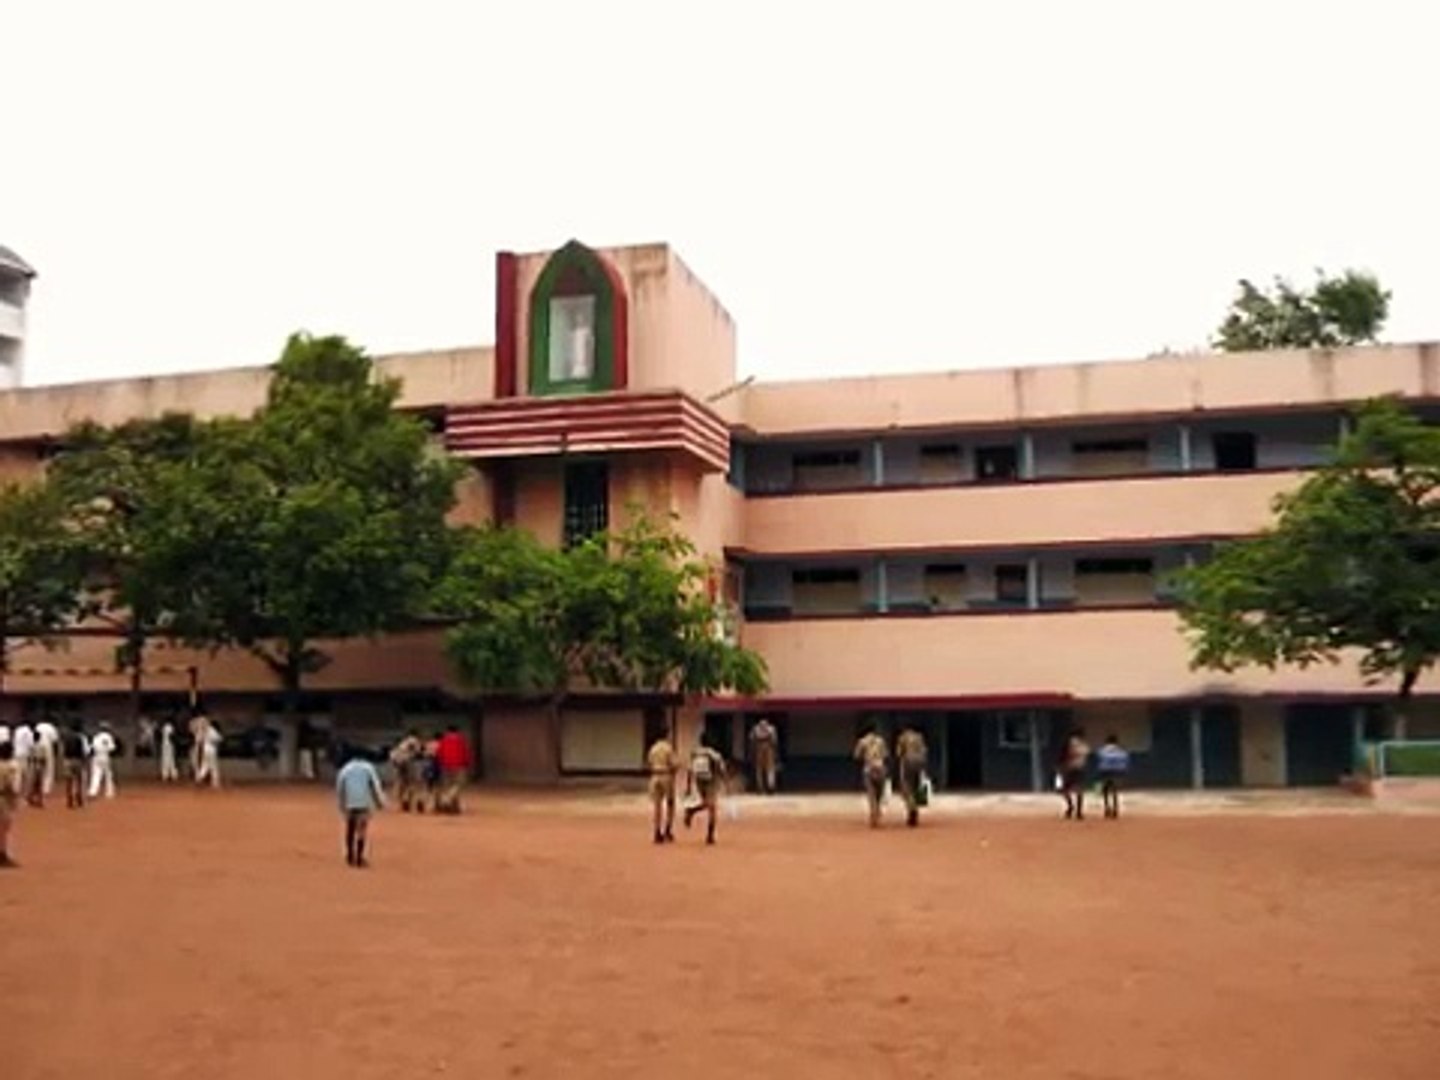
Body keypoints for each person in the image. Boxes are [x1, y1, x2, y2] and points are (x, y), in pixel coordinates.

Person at [335, 749, 386, 868]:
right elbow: (375, 785)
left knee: (350, 828)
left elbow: (340, 787)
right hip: (364, 802)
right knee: (361, 830)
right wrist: (380, 801)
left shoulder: (346, 769)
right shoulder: (368, 768)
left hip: (349, 802)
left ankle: (350, 855)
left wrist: (341, 804)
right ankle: (359, 857)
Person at [682, 734, 727, 845]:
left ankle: (691, 811)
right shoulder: (714, 754)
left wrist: (688, 786)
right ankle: (710, 835)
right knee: (712, 807)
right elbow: (721, 769)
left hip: (699, 780)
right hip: (711, 781)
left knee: (707, 803)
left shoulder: (695, 753)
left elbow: (690, 770)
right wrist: (724, 780)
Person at [645, 732, 681, 844]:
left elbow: (649, 762)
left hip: (655, 776)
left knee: (657, 806)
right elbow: (674, 764)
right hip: (666, 775)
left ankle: (657, 831)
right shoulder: (668, 748)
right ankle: (668, 830)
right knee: (670, 803)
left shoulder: (653, 749)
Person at [853, 726, 889, 828]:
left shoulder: (862, 741)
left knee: (871, 793)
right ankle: (877, 810)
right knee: (879, 793)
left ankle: (874, 812)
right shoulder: (881, 741)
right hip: (880, 768)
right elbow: (885, 755)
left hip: (869, 769)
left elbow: (856, 755)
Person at [895, 726, 930, 828]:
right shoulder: (919, 737)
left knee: (906, 786)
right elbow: (924, 751)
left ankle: (912, 807)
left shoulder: (903, 737)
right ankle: (915, 809)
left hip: (908, 760)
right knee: (917, 786)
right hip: (920, 761)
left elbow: (899, 753)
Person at [434, 724, 471, 814]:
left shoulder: (443, 740)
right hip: (458, 765)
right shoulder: (460, 740)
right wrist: (467, 763)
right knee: (458, 784)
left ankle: (453, 806)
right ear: (457, 731)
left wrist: (440, 763)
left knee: (448, 786)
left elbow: (439, 753)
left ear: (448, 731)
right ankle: (447, 799)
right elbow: (466, 752)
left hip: (445, 766)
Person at [1056, 727, 1091, 821]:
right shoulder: (1084, 744)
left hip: (1070, 767)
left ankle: (1070, 806)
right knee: (1079, 790)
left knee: (1063, 789)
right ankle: (1079, 811)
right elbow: (1087, 753)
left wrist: (1061, 765)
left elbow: (1065, 754)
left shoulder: (1070, 742)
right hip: (1080, 768)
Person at [1096, 733, 1131, 819]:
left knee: (1105, 790)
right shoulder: (1121, 750)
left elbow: (1100, 758)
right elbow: (1125, 759)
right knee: (1115, 790)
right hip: (1117, 771)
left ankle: (1107, 808)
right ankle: (1115, 809)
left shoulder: (1103, 750)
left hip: (1105, 771)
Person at [388, 729, 424, 812]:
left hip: (399, 763)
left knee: (404, 783)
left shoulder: (403, 742)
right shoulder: (414, 740)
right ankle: (418, 802)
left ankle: (405, 801)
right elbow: (418, 752)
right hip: (408, 762)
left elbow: (393, 758)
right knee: (415, 783)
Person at [0, 741, 20, 868]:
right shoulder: (10, 767)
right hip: (3, 799)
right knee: (4, 829)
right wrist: (14, 799)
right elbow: (11, 786)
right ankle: (2, 855)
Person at [61, 723, 89, 809]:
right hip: (77, 760)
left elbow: (63, 749)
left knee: (69, 781)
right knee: (79, 781)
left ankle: (69, 799)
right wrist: (84, 761)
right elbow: (84, 751)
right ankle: (79, 798)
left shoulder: (66, 738)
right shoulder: (80, 738)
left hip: (67, 760)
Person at [748, 718, 780, 795]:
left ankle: (761, 788)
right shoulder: (771, 729)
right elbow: (774, 741)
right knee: (769, 769)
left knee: (760, 770)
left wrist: (752, 753)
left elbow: (752, 741)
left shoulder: (756, 729)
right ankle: (769, 787)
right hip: (768, 750)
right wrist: (775, 752)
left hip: (760, 750)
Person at [89, 723, 118, 800]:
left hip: (96, 756)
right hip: (105, 756)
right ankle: (109, 792)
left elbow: (92, 748)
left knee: (96, 775)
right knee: (108, 775)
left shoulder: (96, 737)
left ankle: (93, 792)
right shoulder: (108, 736)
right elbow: (112, 748)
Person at [12, 721, 38, 806]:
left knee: (17, 775)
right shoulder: (28, 732)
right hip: (24, 755)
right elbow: (31, 744)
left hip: (16, 753)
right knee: (26, 776)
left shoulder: (17, 730)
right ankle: (25, 797)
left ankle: (16, 795)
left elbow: (14, 742)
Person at [35, 715, 60, 799]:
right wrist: (56, 753)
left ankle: (37, 788)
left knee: (38, 768)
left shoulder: (38, 726)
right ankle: (46, 789)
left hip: (38, 746)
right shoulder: (51, 727)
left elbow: (34, 737)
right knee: (49, 769)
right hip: (48, 747)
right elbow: (55, 741)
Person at [195, 717, 223, 789]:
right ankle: (215, 782)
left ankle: (199, 778)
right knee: (213, 766)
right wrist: (217, 740)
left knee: (205, 765)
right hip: (211, 748)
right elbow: (219, 738)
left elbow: (198, 740)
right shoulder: (211, 729)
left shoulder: (200, 731)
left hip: (205, 748)